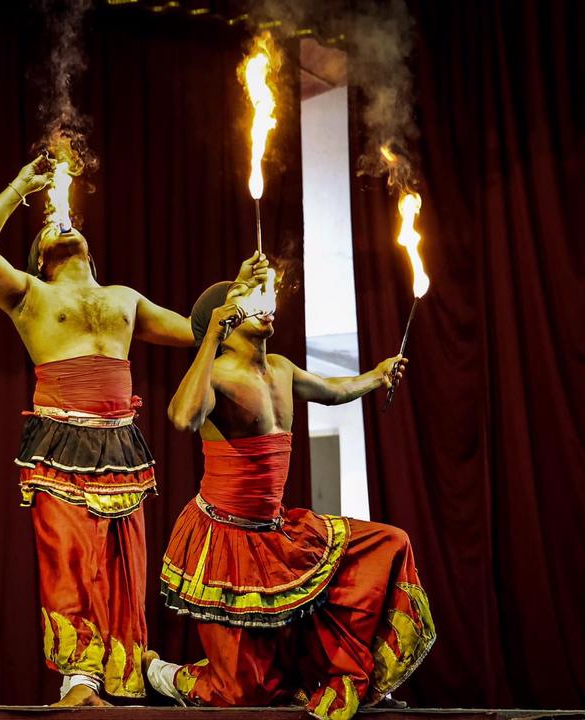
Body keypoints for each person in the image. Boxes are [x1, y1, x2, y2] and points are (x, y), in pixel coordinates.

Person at [0, 156, 268, 706]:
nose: (62, 224)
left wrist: (241, 290)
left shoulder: (125, 298)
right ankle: (78, 681)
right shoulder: (29, 295)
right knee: (69, 560)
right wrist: (20, 187)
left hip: (121, 445)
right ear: (39, 258)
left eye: (67, 223)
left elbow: (199, 331)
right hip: (60, 440)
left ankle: (132, 671)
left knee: (122, 567)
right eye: (50, 228)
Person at [145, 282, 435, 720]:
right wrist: (208, 339)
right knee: (242, 694)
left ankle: (342, 674)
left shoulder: (281, 367)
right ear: (225, 321)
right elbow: (183, 417)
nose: (263, 304)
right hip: (226, 541)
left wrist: (376, 376)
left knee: (390, 543)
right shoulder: (216, 375)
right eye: (245, 300)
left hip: (277, 531)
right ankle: (161, 673)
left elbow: (332, 390)